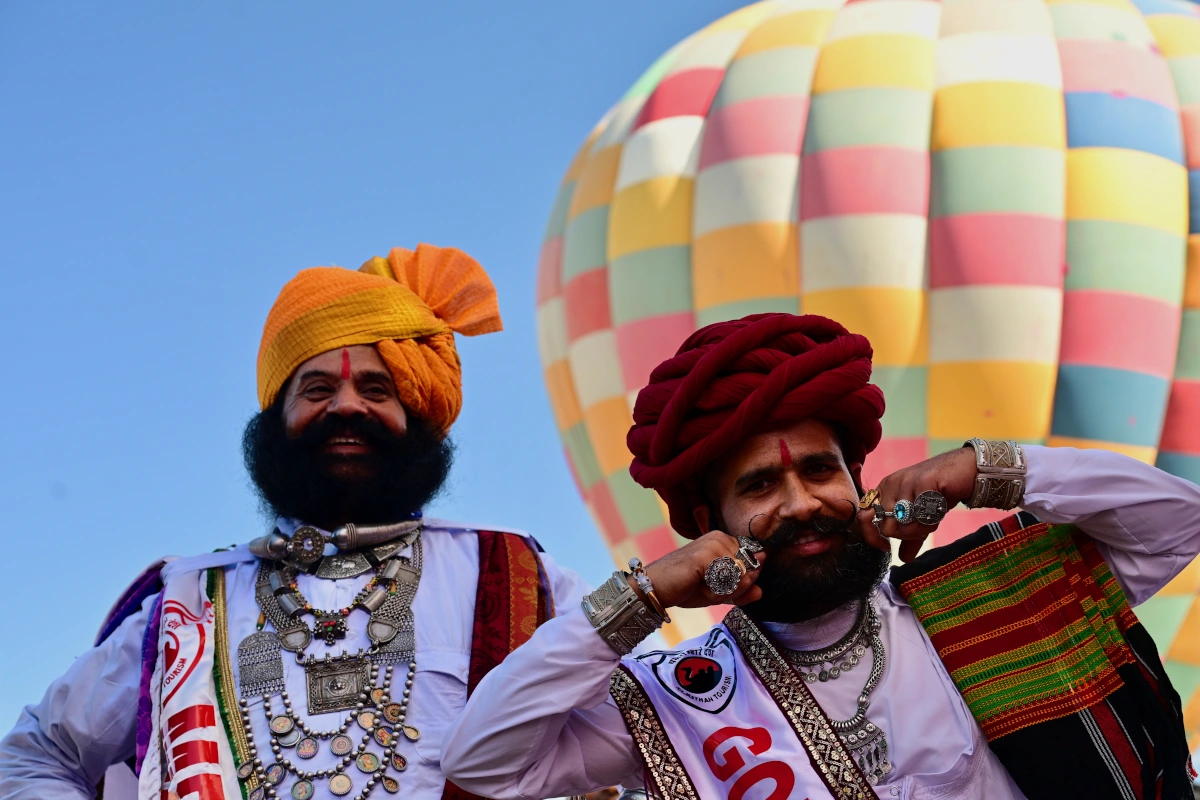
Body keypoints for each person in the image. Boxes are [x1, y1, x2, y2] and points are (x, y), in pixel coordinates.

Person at [442, 313, 1200, 800]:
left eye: (820, 471)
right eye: (761, 485)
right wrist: (644, 596)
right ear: (712, 524)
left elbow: (1176, 522)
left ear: (860, 480)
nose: (801, 504)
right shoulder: (681, 697)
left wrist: (982, 470)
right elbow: (483, 762)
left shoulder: (996, 594)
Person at [0, 243, 588, 800]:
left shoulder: (515, 575)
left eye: (378, 388)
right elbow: (33, 755)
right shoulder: (190, 599)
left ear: (417, 415)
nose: (348, 405)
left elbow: (649, 724)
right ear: (275, 419)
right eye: (317, 387)